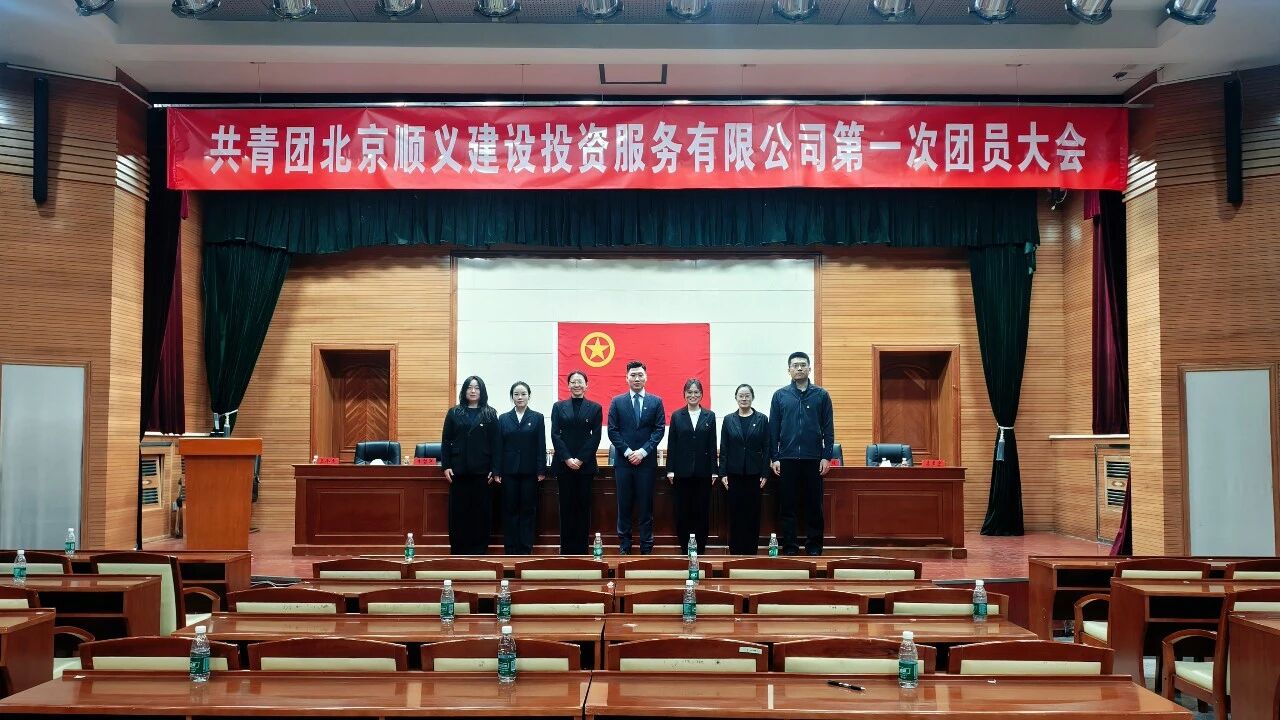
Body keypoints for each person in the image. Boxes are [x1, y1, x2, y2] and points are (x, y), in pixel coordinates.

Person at [769, 351, 835, 556]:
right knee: (787, 506)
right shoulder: (780, 396)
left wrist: (826, 456)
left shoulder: (821, 395)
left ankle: (814, 547)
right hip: (787, 459)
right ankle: (790, 547)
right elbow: (773, 429)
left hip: (813, 459)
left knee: (814, 506)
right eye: (795, 365)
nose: (799, 368)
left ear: (809, 368)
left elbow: (828, 428)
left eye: (803, 365)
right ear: (788, 370)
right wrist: (774, 457)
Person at [606, 360, 666, 555]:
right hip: (623, 463)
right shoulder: (617, 401)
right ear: (627, 378)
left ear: (646, 377)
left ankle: (646, 547)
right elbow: (612, 431)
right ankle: (625, 546)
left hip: (646, 463)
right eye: (633, 375)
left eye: (640, 375)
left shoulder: (656, 401)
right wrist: (627, 452)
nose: (637, 378)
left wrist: (642, 452)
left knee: (646, 506)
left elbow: (659, 430)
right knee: (624, 505)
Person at [441, 375, 502, 555]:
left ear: (482, 391)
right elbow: (446, 441)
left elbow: (497, 444)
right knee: (459, 514)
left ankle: (479, 551)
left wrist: (495, 469)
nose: (473, 391)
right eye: (469, 387)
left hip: (482, 473)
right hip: (458, 472)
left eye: (477, 388)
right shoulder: (454, 412)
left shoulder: (490, 413)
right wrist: (446, 465)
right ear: (464, 390)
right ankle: (459, 551)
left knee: (480, 514)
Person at [550, 370, 603, 555]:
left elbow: (596, 436)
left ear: (586, 385)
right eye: (573, 382)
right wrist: (567, 458)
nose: (577, 385)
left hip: (585, 466)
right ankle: (566, 550)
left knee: (583, 508)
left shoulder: (595, 408)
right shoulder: (558, 407)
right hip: (563, 466)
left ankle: (582, 550)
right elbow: (555, 434)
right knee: (565, 508)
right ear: (568, 385)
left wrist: (580, 459)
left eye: (580, 381)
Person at [666, 378, 717, 555]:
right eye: (689, 392)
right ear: (684, 394)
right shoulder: (677, 416)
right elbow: (672, 444)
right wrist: (670, 469)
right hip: (681, 473)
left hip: (703, 474)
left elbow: (712, 444)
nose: (693, 395)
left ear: (701, 395)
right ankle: (685, 550)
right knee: (683, 513)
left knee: (701, 513)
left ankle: (700, 551)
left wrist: (714, 471)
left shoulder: (709, 416)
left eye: (696, 392)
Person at [719, 383, 771, 555]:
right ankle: (735, 550)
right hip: (733, 475)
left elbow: (767, 447)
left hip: (755, 475)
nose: (744, 398)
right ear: (736, 398)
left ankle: (750, 551)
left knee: (752, 514)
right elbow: (724, 448)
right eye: (741, 396)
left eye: (747, 395)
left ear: (752, 398)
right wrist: (722, 473)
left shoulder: (762, 419)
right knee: (735, 513)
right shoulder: (729, 419)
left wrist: (765, 472)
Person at [495, 381, 546, 555]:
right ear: (512, 397)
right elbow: (498, 446)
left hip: (530, 472)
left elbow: (541, 445)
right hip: (508, 472)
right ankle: (510, 549)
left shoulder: (537, 417)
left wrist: (541, 470)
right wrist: (497, 470)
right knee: (510, 510)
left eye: (523, 394)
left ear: (529, 396)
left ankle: (525, 548)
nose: (520, 397)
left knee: (527, 511)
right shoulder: (503, 418)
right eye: (516, 394)